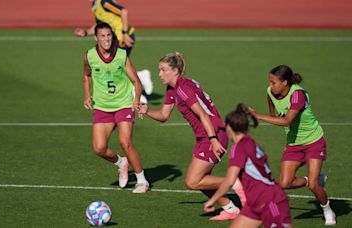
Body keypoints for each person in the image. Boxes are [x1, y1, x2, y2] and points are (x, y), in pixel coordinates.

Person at [138, 52, 246, 220]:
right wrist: (147, 110)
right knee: (201, 180)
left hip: (212, 135)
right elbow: (164, 116)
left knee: (193, 181)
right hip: (205, 137)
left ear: (175, 70)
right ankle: (230, 208)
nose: (159, 74)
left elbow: (202, 114)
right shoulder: (174, 88)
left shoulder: (183, 89)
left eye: (163, 70)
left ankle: (235, 181)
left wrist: (213, 140)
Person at [249, 65, 336, 225]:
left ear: (285, 82)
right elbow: (274, 114)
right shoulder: (270, 92)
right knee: (285, 183)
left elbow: (287, 120)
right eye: (269, 82)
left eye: (274, 82)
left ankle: (327, 210)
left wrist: (258, 116)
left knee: (313, 185)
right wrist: (263, 117)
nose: (270, 86)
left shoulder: (297, 95)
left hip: (313, 141)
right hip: (293, 143)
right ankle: (314, 179)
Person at [82, 22, 149, 193]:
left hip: (123, 104)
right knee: (99, 148)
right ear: (96, 38)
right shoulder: (89, 56)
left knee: (125, 142)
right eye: (102, 36)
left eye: (109, 35)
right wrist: (87, 95)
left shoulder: (121, 55)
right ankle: (121, 163)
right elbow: (86, 76)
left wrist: (136, 100)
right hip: (102, 107)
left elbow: (136, 80)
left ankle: (142, 181)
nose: (106, 39)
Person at [204, 104, 292, 228]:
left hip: (269, 200)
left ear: (229, 128)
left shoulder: (239, 147)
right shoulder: (250, 142)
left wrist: (213, 200)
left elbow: (230, 180)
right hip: (255, 202)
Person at [74, 0, 153, 99]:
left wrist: (124, 33)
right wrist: (85, 32)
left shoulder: (104, 2)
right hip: (113, 40)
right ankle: (140, 78)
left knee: (117, 68)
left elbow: (124, 11)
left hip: (122, 39)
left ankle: (138, 91)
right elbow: (98, 26)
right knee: (118, 69)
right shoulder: (95, 6)